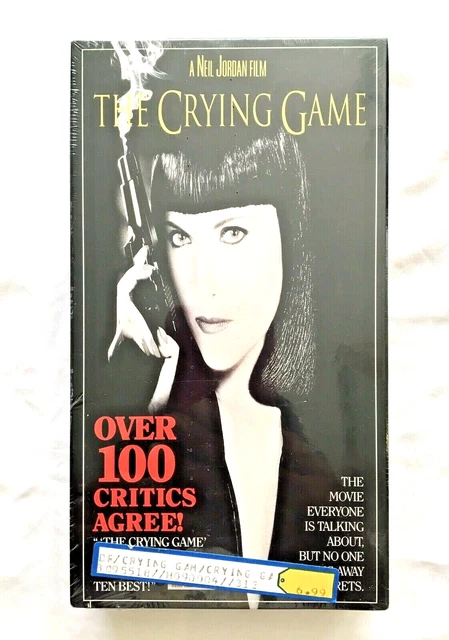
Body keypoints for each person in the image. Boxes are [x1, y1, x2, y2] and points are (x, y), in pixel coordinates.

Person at [108, 130, 336, 607]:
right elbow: (104, 585)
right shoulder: (157, 417)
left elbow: (335, 591)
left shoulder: (326, 448)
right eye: (179, 237)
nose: (202, 281)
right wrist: (143, 414)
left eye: (233, 233)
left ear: (291, 237)